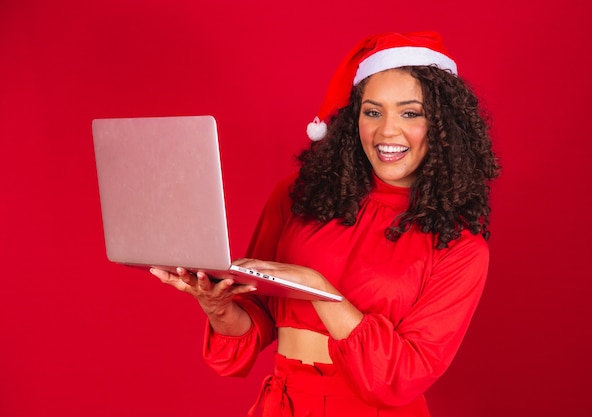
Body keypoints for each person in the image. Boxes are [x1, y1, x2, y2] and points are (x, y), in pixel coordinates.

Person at [151, 31, 500, 417]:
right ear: (355, 120)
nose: (387, 131)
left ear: (443, 125)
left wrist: (318, 288)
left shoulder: (461, 249)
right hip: (284, 402)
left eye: (410, 113)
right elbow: (258, 316)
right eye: (373, 111)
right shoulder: (299, 196)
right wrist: (219, 308)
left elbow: (401, 375)